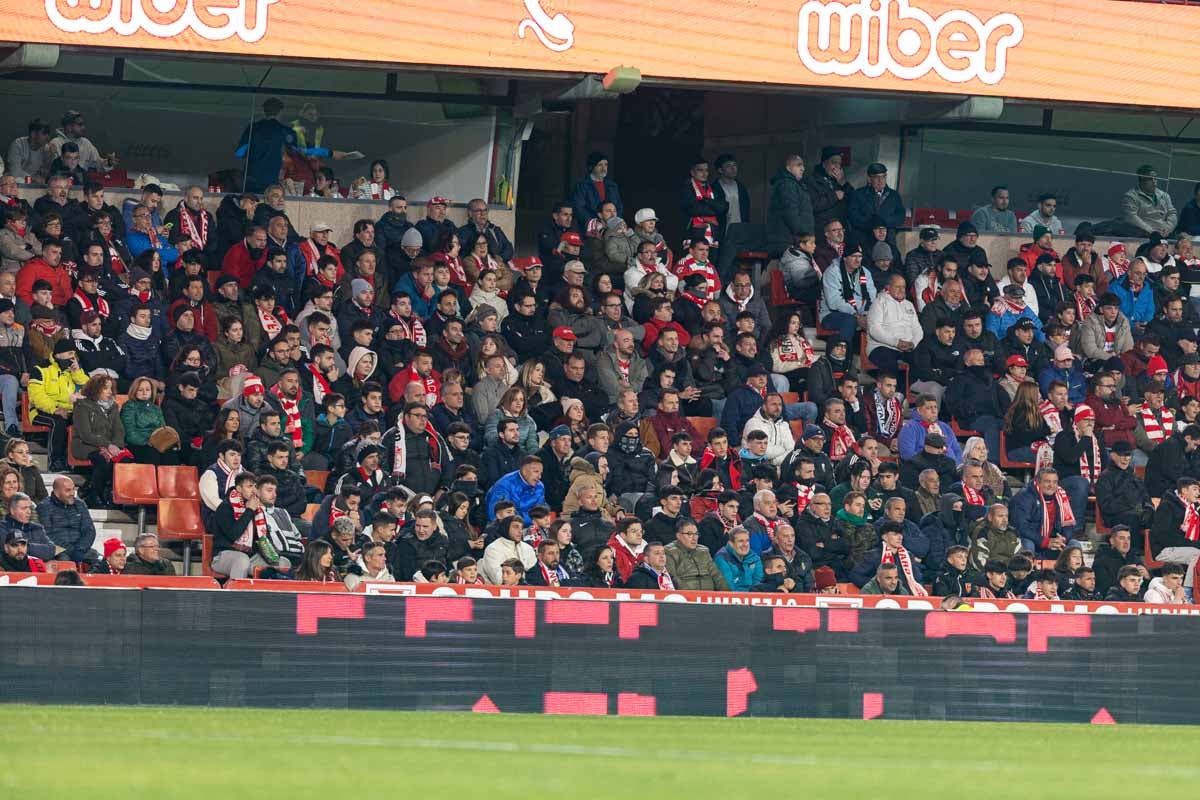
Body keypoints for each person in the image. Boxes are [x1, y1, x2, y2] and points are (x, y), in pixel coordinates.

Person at [71, 374, 130, 507]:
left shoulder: (113, 407)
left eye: (111, 388)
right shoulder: (82, 406)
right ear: (95, 389)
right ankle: (94, 496)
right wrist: (108, 444)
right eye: (105, 388)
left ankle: (107, 493)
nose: (110, 392)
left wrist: (116, 445)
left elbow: (119, 430)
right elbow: (85, 434)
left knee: (125, 460)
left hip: (109, 445)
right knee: (103, 460)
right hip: (86, 445)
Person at [1011, 468, 1081, 556]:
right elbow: (1021, 527)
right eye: (1047, 481)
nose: (1051, 485)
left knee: (1074, 545)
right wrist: (1044, 541)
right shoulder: (1025, 496)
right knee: (1027, 545)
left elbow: (1068, 525)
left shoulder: (1061, 495)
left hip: (1053, 541)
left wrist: (1063, 539)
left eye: (1055, 482)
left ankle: (1068, 570)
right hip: (1032, 539)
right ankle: (1025, 569)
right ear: (1038, 482)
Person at [818, 241, 875, 348]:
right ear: (845, 257)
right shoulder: (832, 272)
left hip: (861, 314)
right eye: (854, 256)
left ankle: (870, 356)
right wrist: (856, 315)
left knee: (879, 318)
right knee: (850, 321)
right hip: (831, 315)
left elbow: (871, 296)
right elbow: (834, 302)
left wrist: (867, 314)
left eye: (860, 256)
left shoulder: (865, 272)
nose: (858, 260)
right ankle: (842, 357)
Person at [866, 273, 921, 375]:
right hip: (882, 346)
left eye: (903, 287)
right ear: (888, 287)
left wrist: (913, 343)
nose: (901, 290)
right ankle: (892, 390)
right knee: (889, 363)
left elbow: (918, 329)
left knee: (922, 359)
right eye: (897, 287)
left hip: (907, 347)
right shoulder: (879, 302)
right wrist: (896, 343)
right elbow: (874, 330)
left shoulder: (909, 304)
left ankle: (908, 389)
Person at [36, 476, 97, 565]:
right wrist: (71, 550)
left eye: (73, 490)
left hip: (80, 549)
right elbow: (47, 535)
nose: (72, 493)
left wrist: (80, 548)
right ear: (57, 493)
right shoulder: (45, 506)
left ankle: (88, 579)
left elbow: (89, 530)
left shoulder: (80, 504)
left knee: (100, 560)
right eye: (68, 490)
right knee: (65, 562)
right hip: (58, 550)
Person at [766, 154, 813, 258]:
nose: (803, 169)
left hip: (791, 241)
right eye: (798, 165)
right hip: (787, 241)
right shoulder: (787, 185)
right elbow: (791, 215)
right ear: (788, 168)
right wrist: (804, 236)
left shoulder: (794, 185)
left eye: (803, 165)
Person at [664, 519, 730, 591]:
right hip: (687, 597)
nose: (694, 538)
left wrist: (728, 595)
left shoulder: (703, 551)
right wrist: (693, 596)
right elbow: (672, 579)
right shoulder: (669, 552)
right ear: (678, 535)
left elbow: (717, 576)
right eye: (689, 534)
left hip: (708, 596)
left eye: (696, 534)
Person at [485, 455, 545, 524]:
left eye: (541, 473)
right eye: (536, 472)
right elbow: (498, 515)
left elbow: (540, 514)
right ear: (524, 471)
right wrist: (530, 518)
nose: (539, 477)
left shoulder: (540, 486)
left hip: (530, 528)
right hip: (502, 528)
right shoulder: (504, 484)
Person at [1122, 164, 1177, 237]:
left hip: (1164, 233)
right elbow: (1131, 217)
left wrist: (1168, 228)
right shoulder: (1131, 196)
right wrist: (1152, 231)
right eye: (1150, 179)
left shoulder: (1164, 195)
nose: (1154, 181)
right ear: (1141, 180)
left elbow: (1172, 213)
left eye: (1155, 178)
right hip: (1143, 234)